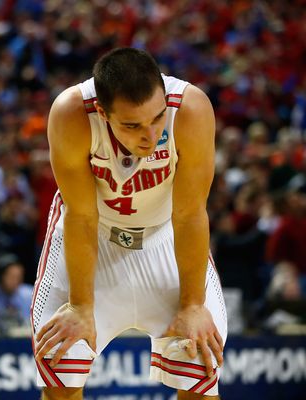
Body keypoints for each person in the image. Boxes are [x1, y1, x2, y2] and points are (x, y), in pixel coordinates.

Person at [31, 48, 227, 400]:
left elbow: (190, 214)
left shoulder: (191, 109)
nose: (150, 136)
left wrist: (193, 306)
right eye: (132, 125)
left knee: (199, 363)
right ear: (103, 113)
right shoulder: (72, 113)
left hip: (165, 235)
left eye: (156, 119)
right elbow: (82, 215)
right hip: (95, 236)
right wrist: (80, 306)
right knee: (62, 366)